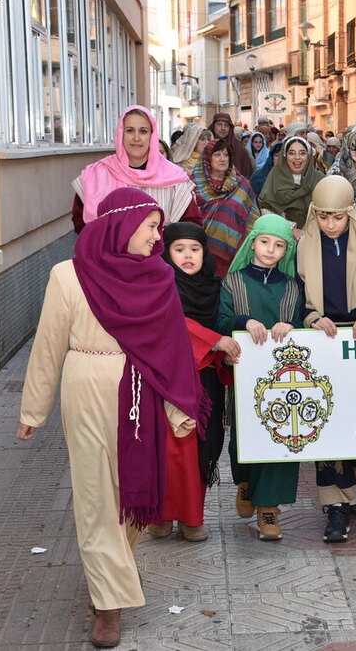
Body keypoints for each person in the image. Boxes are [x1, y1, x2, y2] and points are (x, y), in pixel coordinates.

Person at [17, 187, 204, 647]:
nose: (157, 236)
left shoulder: (158, 276)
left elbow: (172, 345)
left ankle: (105, 579)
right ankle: (108, 605)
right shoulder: (68, 275)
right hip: (86, 387)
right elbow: (47, 345)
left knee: (136, 497)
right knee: (97, 497)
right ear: (123, 225)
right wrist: (33, 409)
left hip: (140, 394)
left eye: (159, 226)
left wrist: (180, 405)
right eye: (151, 226)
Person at [297, 175, 356, 542]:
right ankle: (335, 507)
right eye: (323, 217)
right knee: (328, 426)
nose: (331, 224)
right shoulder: (300, 248)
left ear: (352, 213)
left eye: (339, 217)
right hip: (323, 342)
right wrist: (312, 317)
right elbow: (295, 295)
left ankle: (352, 480)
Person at [148, 223, 242, 543]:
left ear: (205, 252)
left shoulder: (215, 288)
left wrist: (227, 346)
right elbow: (168, 323)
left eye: (195, 249)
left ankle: (191, 517)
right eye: (179, 249)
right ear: (166, 253)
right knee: (171, 448)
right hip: (169, 377)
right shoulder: (159, 284)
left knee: (200, 448)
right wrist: (214, 341)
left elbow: (225, 323)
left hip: (204, 378)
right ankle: (159, 515)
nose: (188, 256)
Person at [216, 214, 304, 540]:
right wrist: (243, 320)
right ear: (252, 242)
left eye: (279, 245)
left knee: (282, 437)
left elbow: (301, 327)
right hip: (244, 378)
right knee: (243, 435)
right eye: (265, 242)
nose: (270, 250)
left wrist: (292, 326)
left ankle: (269, 510)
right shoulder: (232, 282)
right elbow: (221, 320)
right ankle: (245, 483)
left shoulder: (293, 288)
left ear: (286, 252)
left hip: (284, 381)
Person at [71, 105, 201, 234]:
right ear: (120, 134)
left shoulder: (175, 178)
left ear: (152, 135)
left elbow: (190, 226)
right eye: (130, 130)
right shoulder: (96, 174)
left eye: (143, 131)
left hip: (160, 252)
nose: (136, 138)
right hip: (106, 254)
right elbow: (80, 222)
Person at [189, 139, 260, 278]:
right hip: (201, 252)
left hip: (234, 254)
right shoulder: (193, 185)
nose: (222, 159)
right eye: (217, 155)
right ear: (207, 158)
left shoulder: (242, 184)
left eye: (226, 155)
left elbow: (253, 218)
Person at [257, 137, 324, 232]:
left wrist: (307, 230)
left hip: (315, 236)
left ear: (308, 156)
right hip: (280, 234)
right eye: (292, 153)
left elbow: (327, 211)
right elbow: (266, 207)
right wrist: (291, 229)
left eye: (302, 153)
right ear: (285, 156)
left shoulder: (320, 180)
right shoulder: (275, 177)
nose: (297, 157)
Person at [208, 113, 255, 179]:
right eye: (219, 124)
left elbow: (247, 176)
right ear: (213, 126)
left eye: (226, 125)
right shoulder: (206, 147)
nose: (223, 128)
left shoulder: (240, 150)